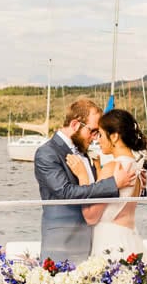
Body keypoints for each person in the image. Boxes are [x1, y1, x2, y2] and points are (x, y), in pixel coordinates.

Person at [34, 99, 139, 263]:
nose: (95, 138)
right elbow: (65, 192)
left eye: (98, 133)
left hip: (94, 242)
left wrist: (135, 185)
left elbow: (99, 189)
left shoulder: (84, 152)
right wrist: (114, 184)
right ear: (76, 124)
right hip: (62, 243)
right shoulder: (47, 153)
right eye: (93, 131)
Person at [66, 108, 147, 260]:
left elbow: (90, 217)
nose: (98, 140)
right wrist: (98, 169)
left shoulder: (112, 168)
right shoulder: (136, 167)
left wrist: (82, 175)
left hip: (110, 243)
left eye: (102, 135)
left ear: (115, 136)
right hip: (130, 239)